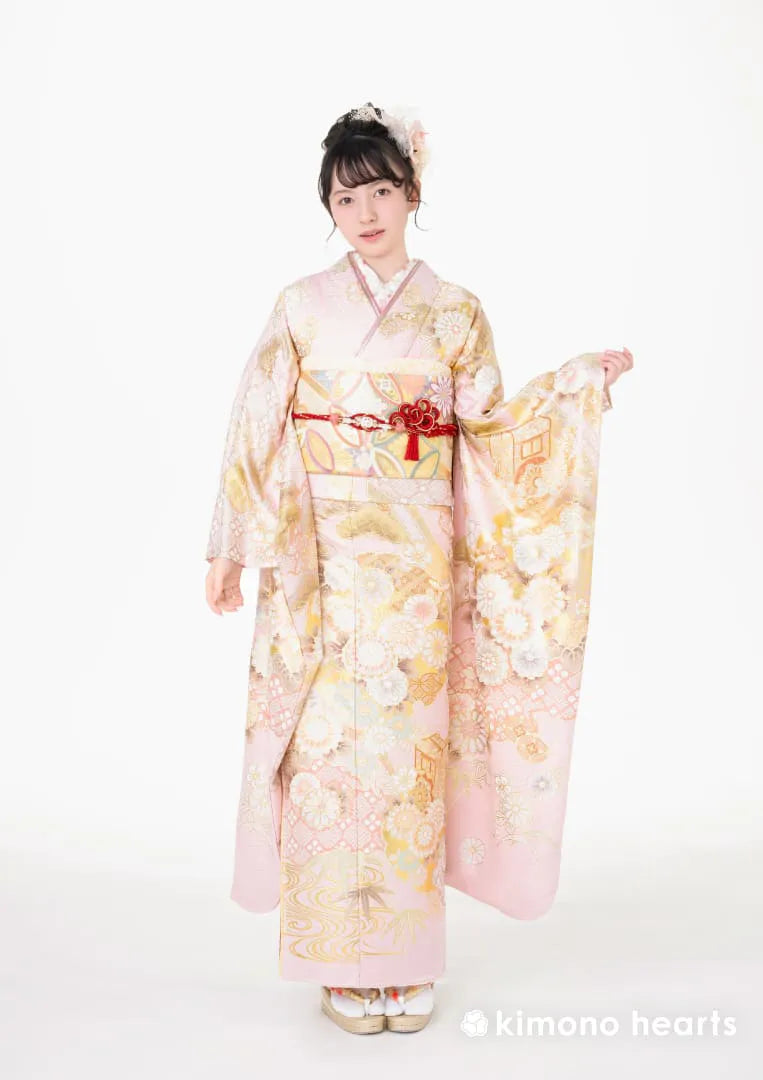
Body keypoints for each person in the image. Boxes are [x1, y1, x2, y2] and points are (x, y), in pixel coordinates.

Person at [204, 101, 633, 1035]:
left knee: (405, 754)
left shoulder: (456, 312)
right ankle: (334, 954)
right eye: (345, 197)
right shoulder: (300, 307)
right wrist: (230, 544)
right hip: (320, 555)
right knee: (325, 751)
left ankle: (400, 959)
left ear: (412, 194)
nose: (365, 212)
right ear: (326, 205)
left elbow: (492, 431)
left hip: (416, 567)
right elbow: (254, 420)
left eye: (381, 191)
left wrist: (574, 386)